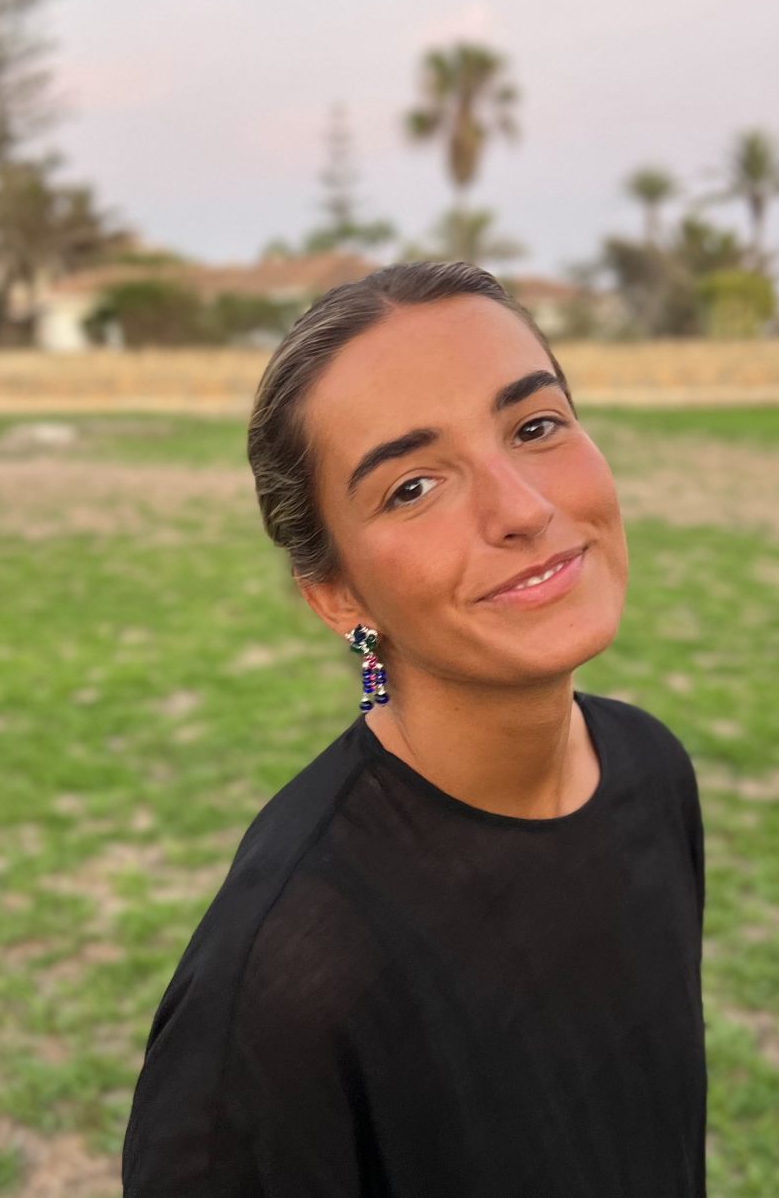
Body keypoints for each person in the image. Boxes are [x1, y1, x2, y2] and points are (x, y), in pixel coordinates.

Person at [122, 260, 707, 1197]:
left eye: (536, 425)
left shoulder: (651, 771)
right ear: (339, 594)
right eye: (412, 487)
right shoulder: (283, 982)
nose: (523, 507)